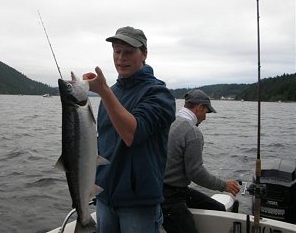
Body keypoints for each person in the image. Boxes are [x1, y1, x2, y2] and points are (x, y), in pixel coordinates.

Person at [83, 26, 176, 233]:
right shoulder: (112, 93)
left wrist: (103, 91)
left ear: (144, 53)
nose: (121, 58)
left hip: (139, 203)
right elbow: (103, 144)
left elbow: (131, 134)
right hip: (105, 197)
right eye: (117, 51)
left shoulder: (159, 94)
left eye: (129, 52)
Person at [161, 89, 241, 233]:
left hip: (162, 189)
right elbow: (195, 173)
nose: (205, 117)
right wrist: (224, 185)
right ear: (199, 107)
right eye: (206, 112)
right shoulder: (192, 132)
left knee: (218, 208)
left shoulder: (170, 123)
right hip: (170, 198)